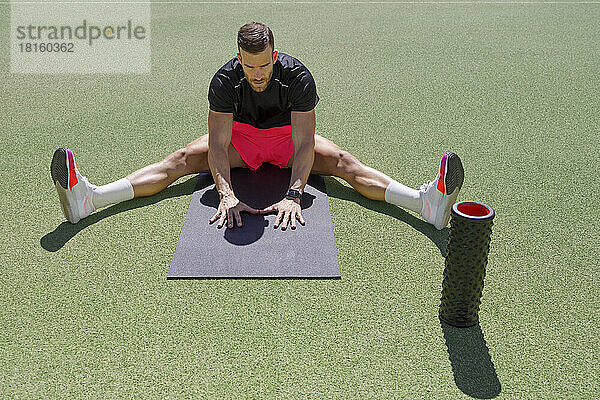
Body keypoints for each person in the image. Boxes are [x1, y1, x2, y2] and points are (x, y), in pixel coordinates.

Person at [50, 22, 464, 231]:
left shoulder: (298, 77)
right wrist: (226, 194)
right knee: (179, 160)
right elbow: (217, 143)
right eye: (250, 67)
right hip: (242, 142)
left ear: (275, 54)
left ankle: (424, 204)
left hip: (285, 141)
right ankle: (92, 198)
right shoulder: (224, 80)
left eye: (264, 65)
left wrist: (294, 194)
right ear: (239, 59)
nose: (258, 74)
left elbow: (304, 143)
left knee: (340, 160)